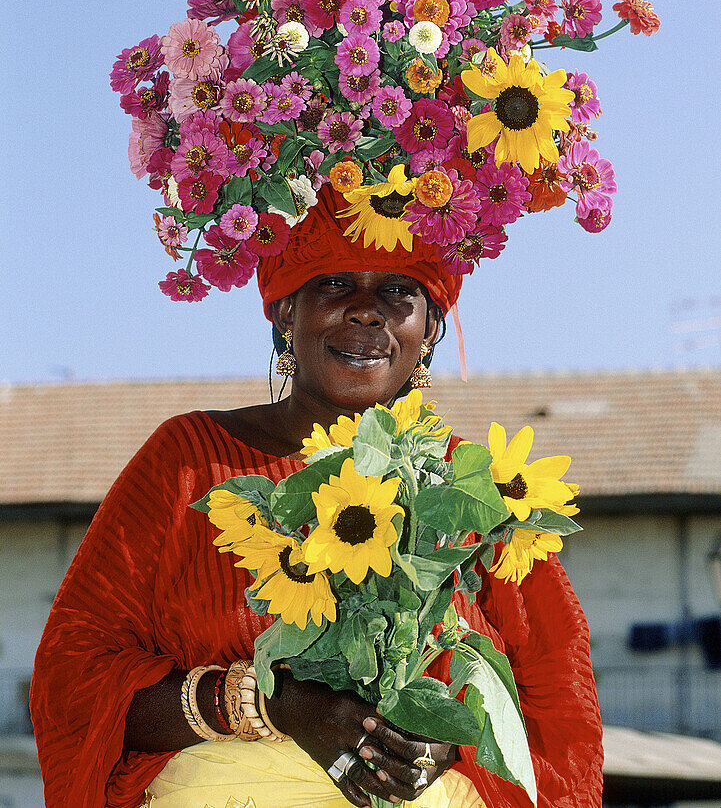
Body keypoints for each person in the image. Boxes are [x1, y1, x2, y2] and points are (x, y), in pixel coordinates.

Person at [30, 187, 604, 808]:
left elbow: (555, 694)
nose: (365, 312)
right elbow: (72, 684)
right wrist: (268, 703)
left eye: (395, 291)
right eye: (333, 284)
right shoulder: (189, 461)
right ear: (283, 314)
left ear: (430, 326)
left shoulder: (479, 492)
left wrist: (450, 741)